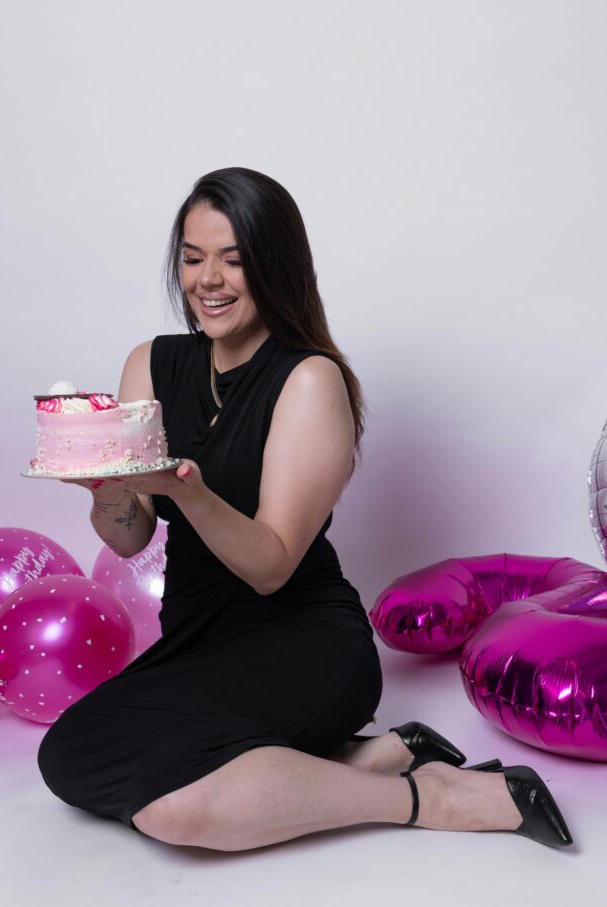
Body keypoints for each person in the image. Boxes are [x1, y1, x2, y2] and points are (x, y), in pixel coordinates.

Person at [37, 167, 572, 851]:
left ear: (276, 265)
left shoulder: (309, 379)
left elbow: (271, 568)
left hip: (303, 642)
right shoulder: (150, 363)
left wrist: (188, 489)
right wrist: (108, 489)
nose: (208, 280)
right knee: (69, 751)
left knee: (176, 810)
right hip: (196, 644)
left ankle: (430, 796)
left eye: (233, 260)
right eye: (193, 258)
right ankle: (370, 758)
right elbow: (130, 537)